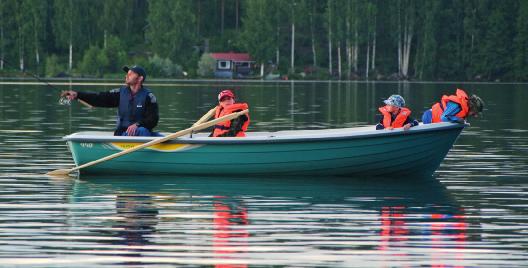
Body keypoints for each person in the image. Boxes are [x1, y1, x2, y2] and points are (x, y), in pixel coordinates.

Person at [60, 66, 159, 136]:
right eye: (127, 73)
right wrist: (78, 94)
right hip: (123, 135)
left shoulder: (149, 97)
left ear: (140, 78)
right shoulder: (119, 93)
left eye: (131, 73)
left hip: (141, 134)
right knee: (142, 131)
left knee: (153, 135)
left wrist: (137, 124)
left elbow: (153, 120)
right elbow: (99, 98)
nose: (127, 75)